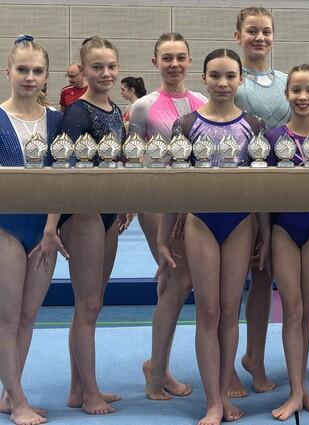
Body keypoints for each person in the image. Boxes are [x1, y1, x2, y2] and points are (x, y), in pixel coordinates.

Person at [157, 48, 268, 425]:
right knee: (207, 310)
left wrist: (265, 233)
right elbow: (173, 185)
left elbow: (261, 186)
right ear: (203, 78)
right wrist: (162, 238)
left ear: (240, 79)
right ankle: (212, 402)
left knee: (229, 311)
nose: (223, 83)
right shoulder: (186, 124)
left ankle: (222, 390)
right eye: (216, 76)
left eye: (230, 76)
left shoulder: (253, 123)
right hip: (201, 221)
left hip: (241, 222)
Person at [49, 36, 127, 415]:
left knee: (93, 303)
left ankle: (78, 387)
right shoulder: (77, 113)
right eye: (97, 67)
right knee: (88, 303)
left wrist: (124, 202)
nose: (106, 73)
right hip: (82, 212)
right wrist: (52, 224)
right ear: (83, 70)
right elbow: (61, 169)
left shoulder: (115, 109)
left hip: (108, 210)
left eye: (111, 66)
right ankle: (90, 392)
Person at [128, 32, 207, 402]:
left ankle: (158, 365)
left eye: (180, 57)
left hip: (193, 203)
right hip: (158, 203)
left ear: (189, 61)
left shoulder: (202, 102)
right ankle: (156, 370)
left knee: (172, 286)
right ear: (155, 62)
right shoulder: (143, 106)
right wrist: (130, 201)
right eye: (167, 58)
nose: (174, 64)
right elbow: (130, 156)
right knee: (178, 281)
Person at [0, 35, 67, 425]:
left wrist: (52, 226)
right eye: (22, 70)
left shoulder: (57, 121)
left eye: (37, 71)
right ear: (8, 72)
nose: (29, 77)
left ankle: (10, 393)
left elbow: (63, 179)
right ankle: (18, 401)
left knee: (28, 315)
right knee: (8, 318)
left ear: (46, 76)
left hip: (45, 228)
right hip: (6, 226)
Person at [264, 64, 309, 420]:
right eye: (296, 90)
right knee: (291, 310)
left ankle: (302, 387)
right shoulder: (272, 137)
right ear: (286, 93)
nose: (303, 97)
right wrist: (263, 236)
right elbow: (262, 194)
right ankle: (295, 390)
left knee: (306, 310)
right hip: (283, 230)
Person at [234, 6, 290, 397]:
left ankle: (254, 355)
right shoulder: (230, 79)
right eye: (252, 31)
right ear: (238, 35)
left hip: (281, 189)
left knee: (265, 275)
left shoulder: (287, 82)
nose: (259, 37)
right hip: (243, 188)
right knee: (233, 280)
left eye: (266, 31)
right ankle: (227, 360)